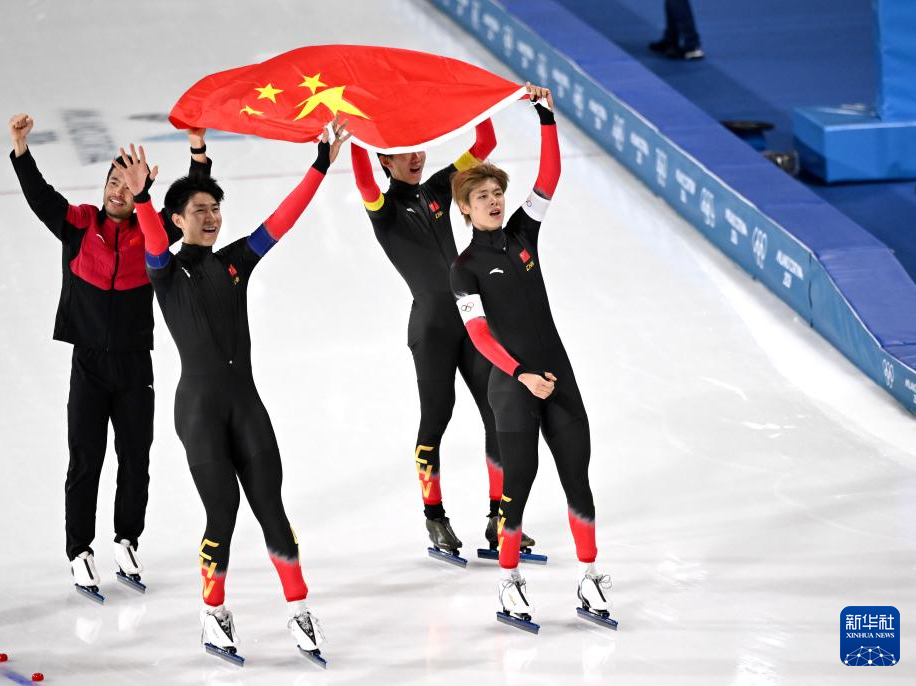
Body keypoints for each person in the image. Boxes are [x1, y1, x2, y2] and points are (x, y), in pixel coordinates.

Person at [115, 118, 349, 660]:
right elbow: (153, 239)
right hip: (199, 411)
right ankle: (213, 612)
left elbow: (282, 220)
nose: (211, 217)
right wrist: (143, 198)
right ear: (178, 220)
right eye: (199, 210)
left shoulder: (236, 262)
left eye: (215, 209)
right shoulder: (164, 270)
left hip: (246, 405)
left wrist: (319, 165)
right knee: (222, 511)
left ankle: (299, 609)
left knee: (272, 508)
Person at [9, 113, 210, 597]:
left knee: (135, 459)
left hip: (135, 366)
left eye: (127, 183)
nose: (118, 191)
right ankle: (79, 550)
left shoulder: (152, 233)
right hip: (90, 367)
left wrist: (197, 151)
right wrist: (20, 148)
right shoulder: (79, 224)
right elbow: (40, 197)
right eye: (112, 182)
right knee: (86, 460)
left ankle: (126, 541)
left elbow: (191, 204)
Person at [448, 88, 615, 628]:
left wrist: (545, 118)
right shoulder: (464, 268)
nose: (494, 201)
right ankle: (509, 582)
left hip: (558, 376)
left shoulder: (523, 233)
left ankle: (590, 575)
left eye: (498, 192)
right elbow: (478, 335)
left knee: (578, 478)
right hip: (512, 385)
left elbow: (549, 177)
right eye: (482, 196)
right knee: (518, 485)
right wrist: (520, 374)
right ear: (465, 208)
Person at [350, 112, 537, 562]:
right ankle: (434, 516)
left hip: (470, 320)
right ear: (385, 161)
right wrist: (355, 128)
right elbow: (362, 179)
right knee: (437, 418)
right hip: (431, 329)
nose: (415, 157)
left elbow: (485, 142)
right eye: (403, 154)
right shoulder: (383, 208)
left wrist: (480, 102)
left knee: (496, 414)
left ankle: (499, 519)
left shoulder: (438, 188)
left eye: (418, 148)